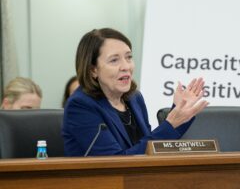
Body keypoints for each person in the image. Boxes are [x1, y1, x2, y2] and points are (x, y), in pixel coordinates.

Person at [62, 28, 209, 156]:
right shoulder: (80, 106)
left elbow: (147, 146)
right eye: (114, 60)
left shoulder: (135, 98)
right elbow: (115, 163)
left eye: (129, 57)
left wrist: (180, 113)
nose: (126, 66)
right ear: (93, 69)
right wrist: (170, 124)